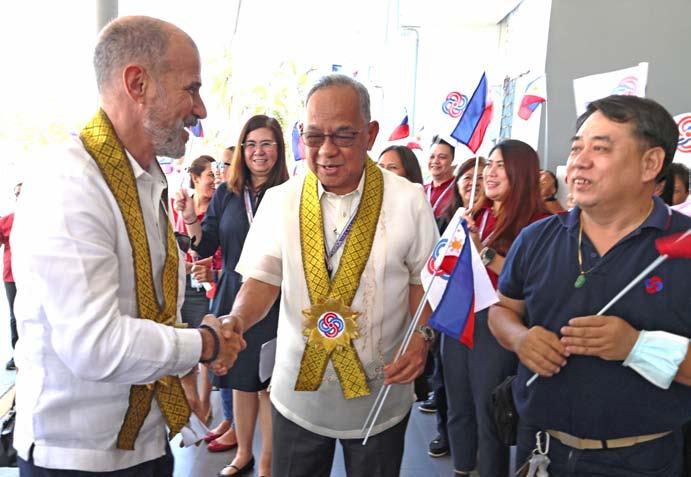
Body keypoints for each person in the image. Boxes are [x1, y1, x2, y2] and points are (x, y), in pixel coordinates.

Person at [10, 16, 245, 475]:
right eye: (191, 89)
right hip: (81, 460)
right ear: (138, 84)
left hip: (146, 443)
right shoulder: (70, 183)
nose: (200, 109)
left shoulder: (143, 180)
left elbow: (148, 308)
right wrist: (203, 344)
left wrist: (188, 359)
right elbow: (95, 345)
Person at [222, 74, 438, 477]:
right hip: (297, 395)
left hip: (380, 395)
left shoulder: (408, 200)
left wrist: (422, 338)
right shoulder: (281, 200)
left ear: (370, 134)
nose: (326, 151)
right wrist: (236, 319)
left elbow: (421, 283)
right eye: (313, 136)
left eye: (343, 135)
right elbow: (262, 279)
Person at [489, 95, 691, 476]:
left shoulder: (683, 244)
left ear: (650, 163)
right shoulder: (536, 238)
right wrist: (520, 338)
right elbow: (502, 311)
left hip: (641, 459)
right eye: (576, 148)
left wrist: (636, 346)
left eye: (600, 149)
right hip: (540, 447)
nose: (579, 162)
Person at [178, 114, 288, 476]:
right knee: (241, 381)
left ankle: (267, 463)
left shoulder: (289, 193)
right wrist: (190, 217)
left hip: (274, 295)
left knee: (267, 384)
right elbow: (206, 243)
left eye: (267, 144)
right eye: (251, 144)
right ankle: (243, 454)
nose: (258, 152)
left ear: (279, 149)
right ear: (242, 150)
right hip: (232, 291)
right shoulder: (227, 193)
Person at [438, 140, 549, 476]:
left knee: (489, 409)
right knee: (458, 404)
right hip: (459, 312)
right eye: (490, 164)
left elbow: (530, 283)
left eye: (500, 165)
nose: (490, 172)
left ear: (521, 172)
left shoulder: (539, 223)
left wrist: (483, 252)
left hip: (498, 319)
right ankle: (462, 468)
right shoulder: (476, 214)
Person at [173, 155, 222, 425]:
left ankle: (204, 404)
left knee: (208, 343)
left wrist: (209, 268)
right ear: (195, 178)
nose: (215, 181)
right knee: (186, 344)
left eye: (217, 175)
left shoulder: (219, 207)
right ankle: (192, 402)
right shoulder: (181, 208)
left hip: (212, 285)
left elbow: (218, 248)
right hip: (186, 284)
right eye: (210, 176)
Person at [0, 182, 21, 371]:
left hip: (35, 275)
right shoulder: (7, 220)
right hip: (12, 276)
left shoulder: (43, 220)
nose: (19, 196)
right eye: (17, 194)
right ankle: (18, 355)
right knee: (15, 315)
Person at [425, 136, 457, 228]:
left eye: (442, 157)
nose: (435, 161)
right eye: (432, 157)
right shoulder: (421, 189)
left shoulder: (459, 190)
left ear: (453, 161)